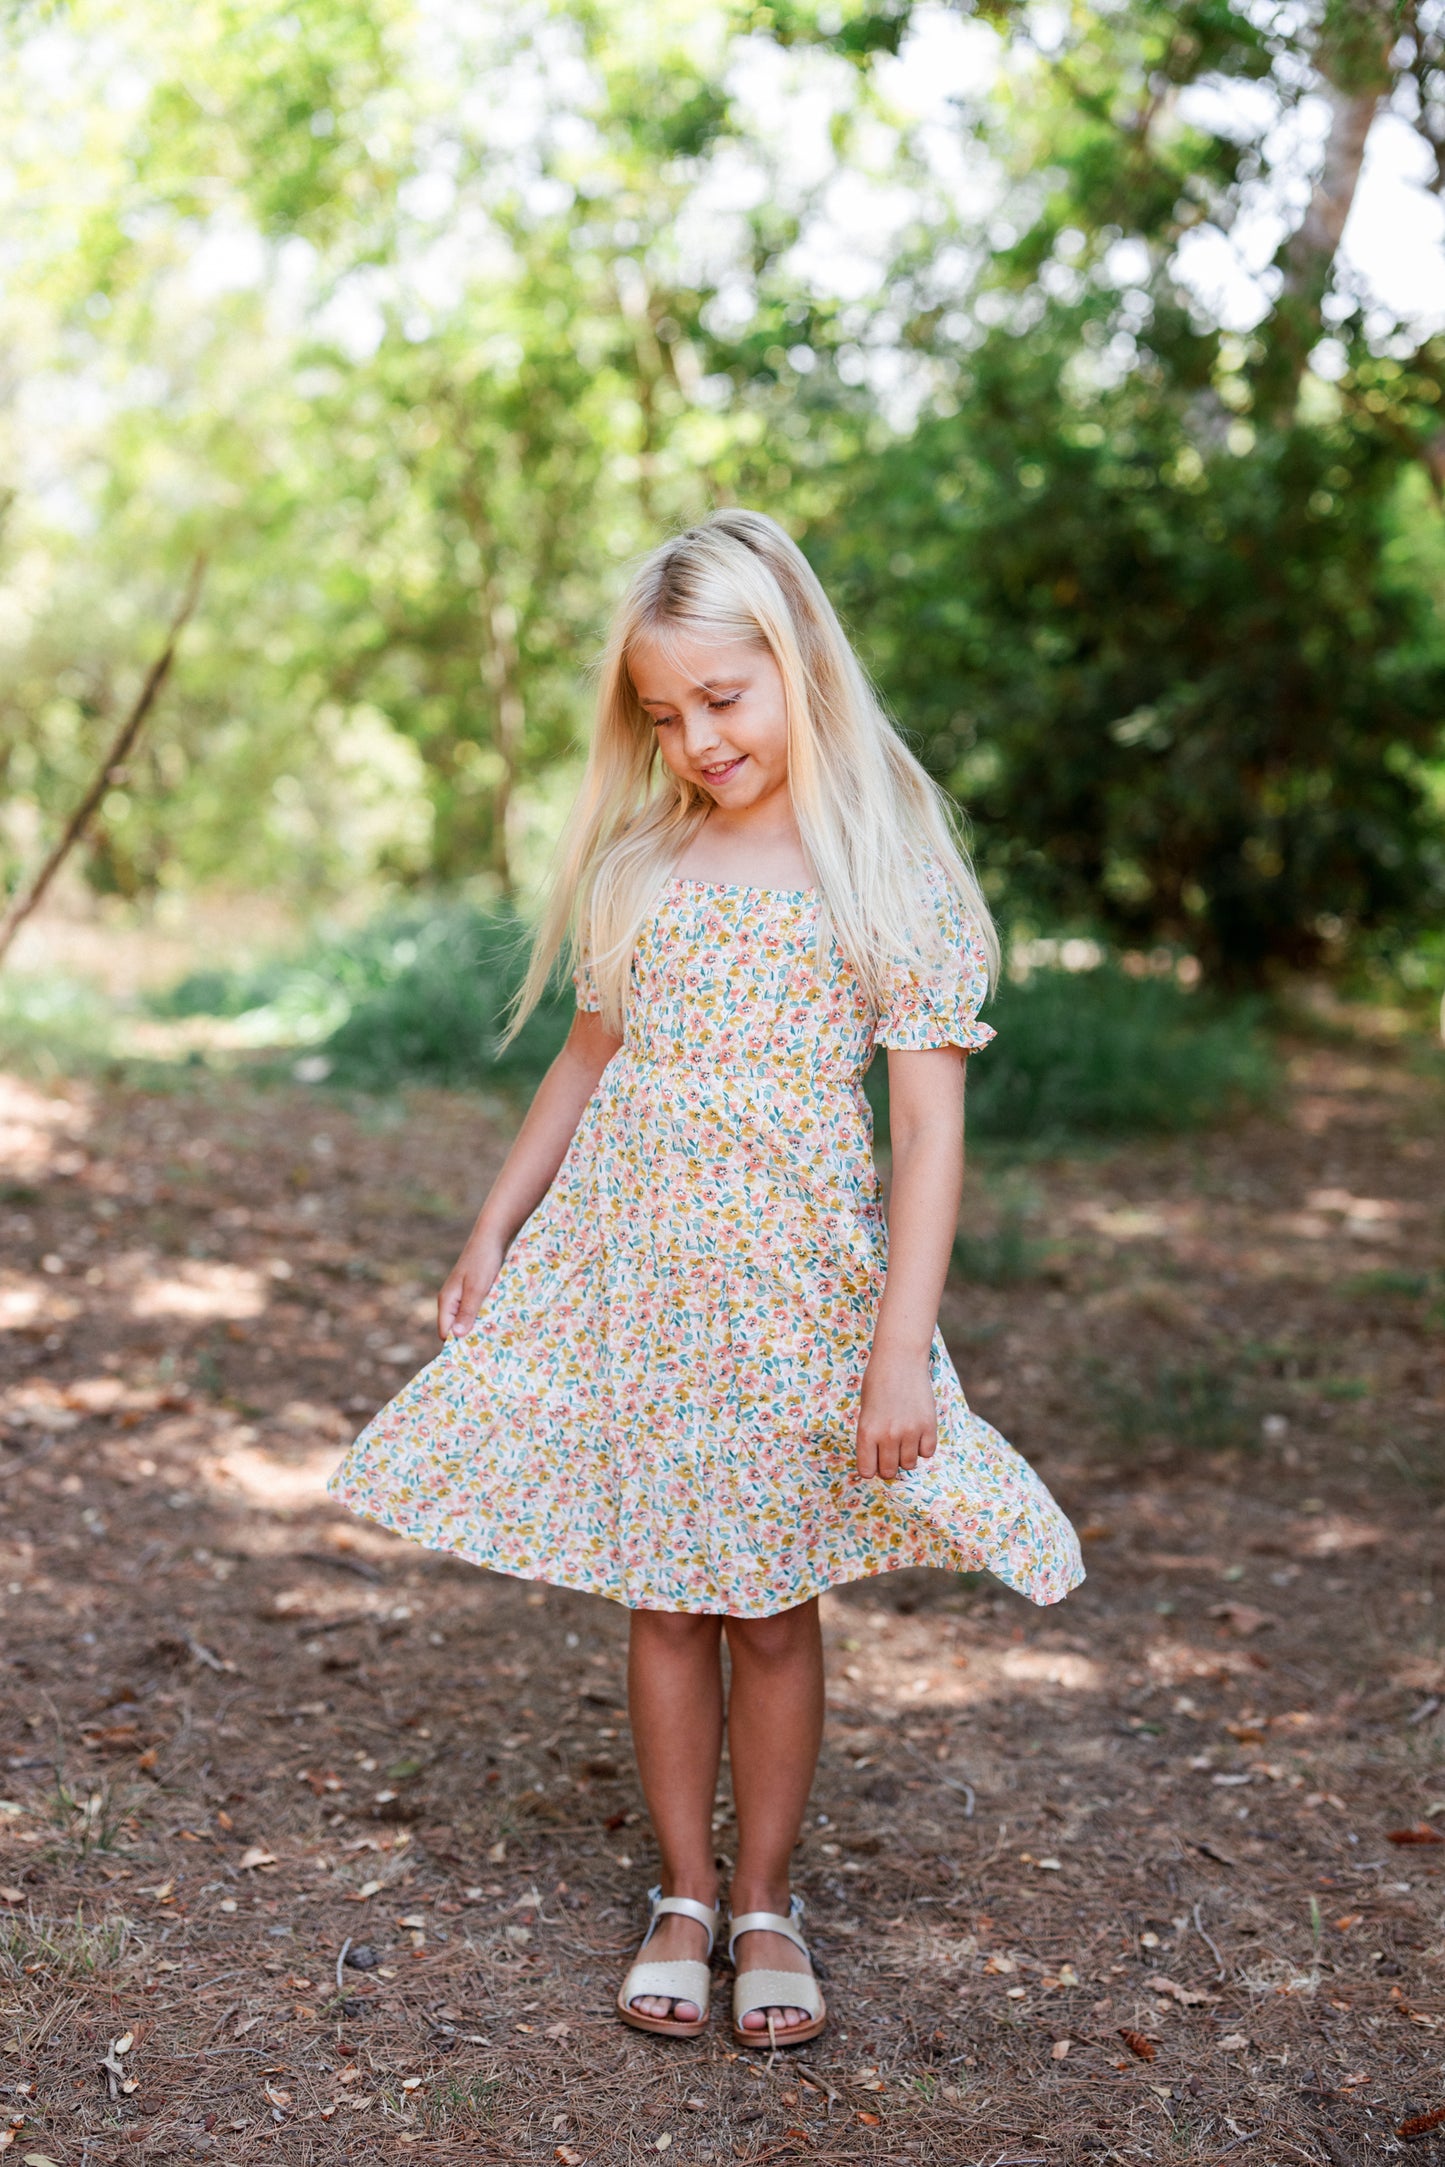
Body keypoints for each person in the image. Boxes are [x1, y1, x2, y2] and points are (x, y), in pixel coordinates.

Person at [327, 509, 1084, 2049]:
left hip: (793, 1296)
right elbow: (586, 1056)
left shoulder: (881, 874)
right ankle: (680, 1893)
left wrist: (899, 1349)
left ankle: (763, 1901)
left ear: (796, 664)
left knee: (770, 1604)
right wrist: (495, 1224)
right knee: (666, 1600)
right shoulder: (647, 862)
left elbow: (927, 1135)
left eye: (722, 700)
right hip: (638, 1285)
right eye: (665, 715)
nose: (695, 740)